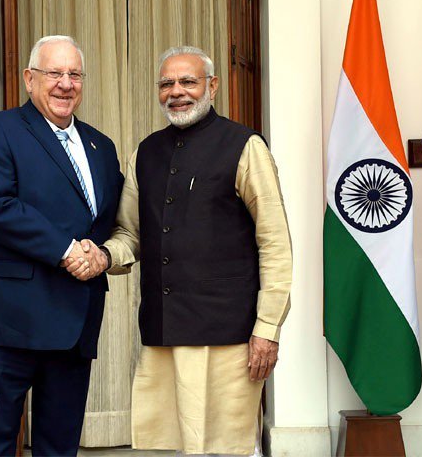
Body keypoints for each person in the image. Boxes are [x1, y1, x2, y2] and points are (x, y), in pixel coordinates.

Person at [65, 46, 292, 456]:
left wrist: (267, 329)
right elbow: (129, 233)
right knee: (166, 446)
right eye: (166, 83)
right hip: (163, 332)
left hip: (228, 335)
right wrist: (102, 256)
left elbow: (275, 243)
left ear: (212, 86)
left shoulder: (245, 146)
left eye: (188, 81)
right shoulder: (146, 152)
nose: (177, 92)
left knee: (229, 448)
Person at [0, 35, 124, 456]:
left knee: (59, 449)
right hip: (5, 323)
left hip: (74, 325)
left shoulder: (102, 147)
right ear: (30, 79)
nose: (66, 84)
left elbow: (111, 220)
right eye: (55, 73)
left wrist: (102, 255)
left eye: (75, 74)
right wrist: (68, 251)